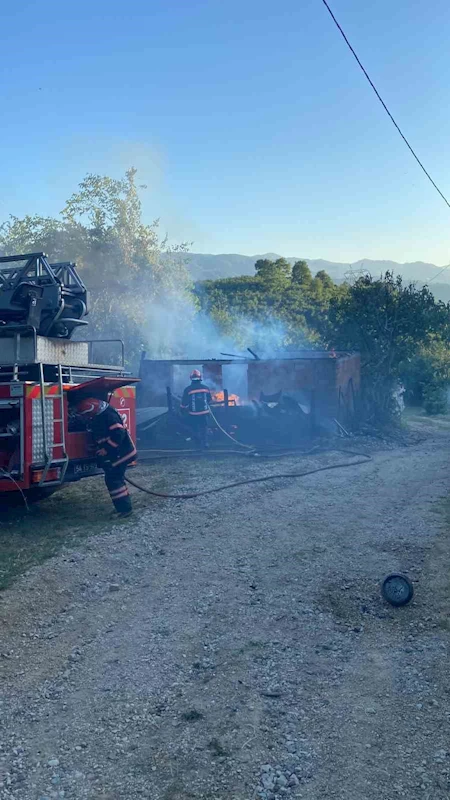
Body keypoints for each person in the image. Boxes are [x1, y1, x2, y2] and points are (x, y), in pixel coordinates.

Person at [76, 397, 137, 516]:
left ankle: (125, 510)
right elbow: (103, 434)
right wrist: (96, 447)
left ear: (92, 409)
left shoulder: (109, 415)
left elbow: (119, 433)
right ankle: (122, 507)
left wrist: (106, 449)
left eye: (87, 414)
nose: (88, 417)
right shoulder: (101, 414)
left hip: (122, 454)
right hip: (117, 454)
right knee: (114, 479)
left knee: (114, 480)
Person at [180, 369, 212, 449]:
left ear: (191, 378)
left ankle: (198, 445)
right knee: (204, 428)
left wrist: (182, 410)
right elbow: (209, 399)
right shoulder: (206, 388)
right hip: (205, 413)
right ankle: (205, 443)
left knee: (195, 429)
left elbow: (184, 402)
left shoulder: (188, 389)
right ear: (200, 378)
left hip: (193, 414)